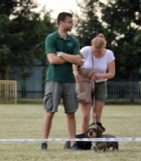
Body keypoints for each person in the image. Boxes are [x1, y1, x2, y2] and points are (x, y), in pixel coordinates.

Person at [41, 12, 83, 150]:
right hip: (54, 80)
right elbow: (52, 60)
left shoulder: (74, 41)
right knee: (50, 112)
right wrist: (70, 58)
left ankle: (73, 143)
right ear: (61, 23)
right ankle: (44, 143)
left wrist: (62, 54)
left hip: (70, 81)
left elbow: (79, 60)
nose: (72, 24)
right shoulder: (51, 38)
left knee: (71, 112)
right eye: (69, 22)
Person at [74, 34, 115, 133]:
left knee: (96, 115)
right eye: (94, 50)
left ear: (103, 47)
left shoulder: (109, 54)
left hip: (100, 85)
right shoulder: (85, 51)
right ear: (91, 45)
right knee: (85, 116)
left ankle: (96, 139)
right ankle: (85, 139)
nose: (96, 52)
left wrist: (100, 76)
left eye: (99, 50)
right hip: (85, 84)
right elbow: (75, 62)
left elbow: (111, 73)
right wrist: (75, 73)